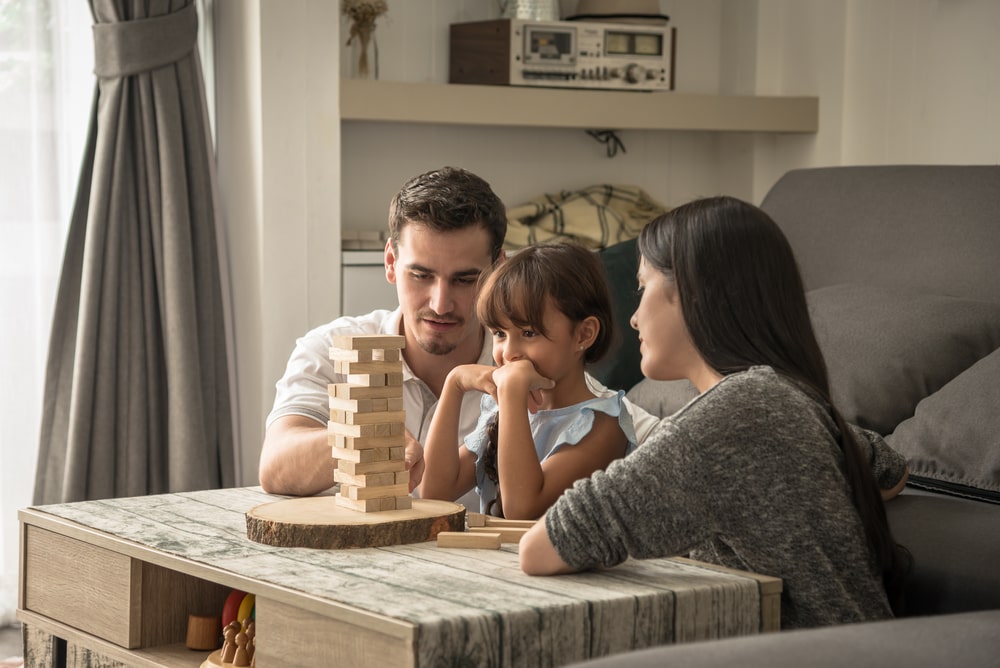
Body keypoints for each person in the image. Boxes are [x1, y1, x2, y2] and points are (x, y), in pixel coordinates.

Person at [519, 196, 911, 629]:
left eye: (642, 288)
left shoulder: (733, 416)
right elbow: (891, 471)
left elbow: (541, 548)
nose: (633, 318)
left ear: (692, 293)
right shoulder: (787, 399)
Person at [258, 167, 508, 503]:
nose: (440, 304)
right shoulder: (331, 348)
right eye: (421, 275)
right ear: (391, 262)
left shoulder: (528, 364)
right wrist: (362, 438)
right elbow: (275, 466)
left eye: (464, 280)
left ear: (498, 270)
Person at [420, 242, 639, 519]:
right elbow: (435, 494)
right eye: (500, 333)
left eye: (529, 333)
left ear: (583, 335)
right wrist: (454, 384)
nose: (508, 353)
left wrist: (512, 392)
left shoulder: (603, 425)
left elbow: (522, 511)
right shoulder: (502, 413)